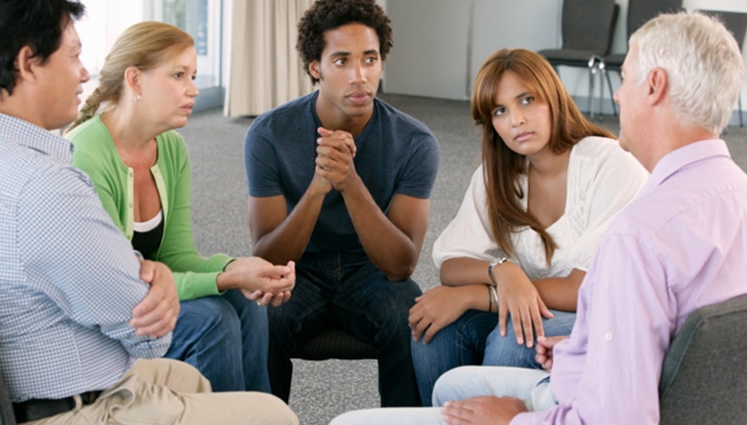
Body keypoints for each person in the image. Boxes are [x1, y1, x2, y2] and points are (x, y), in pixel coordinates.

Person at [330, 10, 747, 425]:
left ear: (654, 86)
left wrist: (513, 420)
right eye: (499, 111)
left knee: (353, 420)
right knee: (444, 362)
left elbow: (617, 416)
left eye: (624, 80)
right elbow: (652, 339)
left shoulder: (637, 233)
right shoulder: (731, 192)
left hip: (583, 401)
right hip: (607, 378)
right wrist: (569, 342)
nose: (617, 97)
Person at [0, 1, 298, 424]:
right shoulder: (44, 185)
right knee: (272, 413)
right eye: (74, 55)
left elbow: (139, 269)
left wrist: (201, 271)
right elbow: (145, 332)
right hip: (73, 402)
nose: (83, 72)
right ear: (28, 64)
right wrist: (159, 277)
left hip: (39, 372)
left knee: (196, 378)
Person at [407, 48, 648, 405]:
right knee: (431, 327)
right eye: (500, 111)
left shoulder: (609, 163)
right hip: (538, 306)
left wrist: (476, 294)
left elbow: (583, 288)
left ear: (552, 97)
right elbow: (452, 264)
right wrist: (502, 271)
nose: (516, 120)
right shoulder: (499, 174)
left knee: (514, 337)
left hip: (606, 315)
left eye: (526, 100)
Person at [65, 21, 295, 393]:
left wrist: (237, 268)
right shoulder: (87, 155)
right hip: (103, 311)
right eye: (178, 75)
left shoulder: (170, 149)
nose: (193, 90)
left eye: (193, 75)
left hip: (146, 297)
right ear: (135, 81)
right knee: (213, 318)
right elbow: (120, 285)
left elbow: (177, 256)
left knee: (247, 304)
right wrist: (226, 278)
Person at [244, 0, 439, 407]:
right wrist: (318, 188)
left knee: (415, 317)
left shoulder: (415, 143)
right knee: (257, 318)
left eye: (370, 59)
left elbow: (401, 265)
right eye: (341, 61)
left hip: (372, 272)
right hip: (297, 272)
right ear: (315, 66)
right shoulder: (269, 134)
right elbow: (267, 257)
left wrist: (349, 182)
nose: (359, 76)